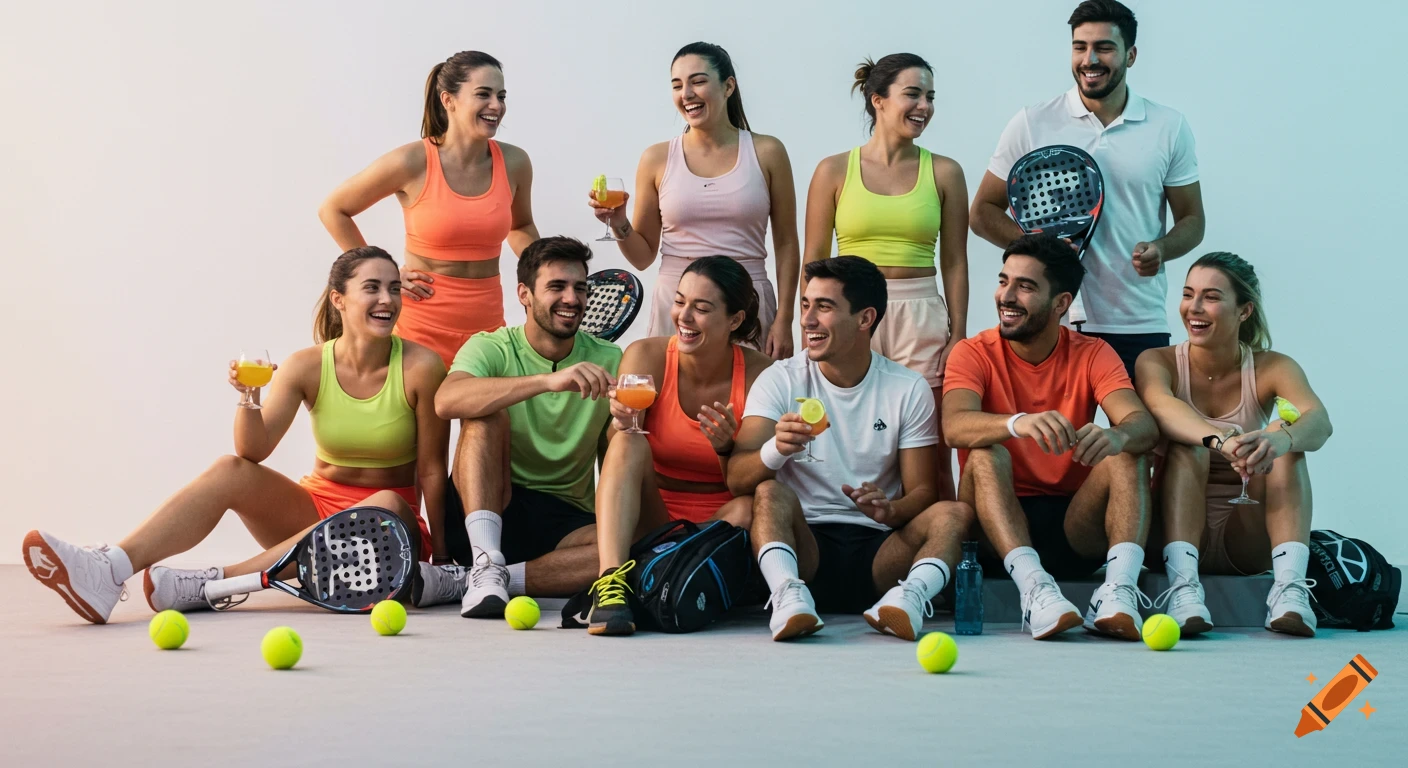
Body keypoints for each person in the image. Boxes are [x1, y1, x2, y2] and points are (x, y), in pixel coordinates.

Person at [22, 247, 447, 623]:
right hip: (314, 512)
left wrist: (443, 560)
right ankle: (110, 570)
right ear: (339, 299)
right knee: (230, 469)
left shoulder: (421, 367)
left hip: (388, 529)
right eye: (372, 288)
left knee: (388, 502)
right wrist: (249, 398)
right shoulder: (306, 366)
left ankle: (212, 584)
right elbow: (252, 452)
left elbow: (430, 471)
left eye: (394, 289)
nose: (387, 299)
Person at [728, 256, 975, 642]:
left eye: (824, 307)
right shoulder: (779, 379)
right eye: (806, 305)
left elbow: (924, 492)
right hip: (804, 547)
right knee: (768, 491)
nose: (807, 319)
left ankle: (908, 599)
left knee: (954, 514)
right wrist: (776, 449)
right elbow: (736, 478)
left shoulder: (907, 387)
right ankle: (787, 596)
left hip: (879, 551)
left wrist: (892, 510)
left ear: (865, 319)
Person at [969, 0, 1205, 377]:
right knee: (1048, 435)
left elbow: (1192, 219)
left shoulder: (1169, 126)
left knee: (1140, 434)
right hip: (1052, 318)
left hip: (1137, 319)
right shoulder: (1032, 122)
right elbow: (982, 213)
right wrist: (1041, 254)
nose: (1089, 59)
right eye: (1080, 47)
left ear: (1131, 55)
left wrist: (1162, 249)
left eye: (1104, 48)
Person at [943, 234, 1158, 641]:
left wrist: (1117, 437)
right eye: (1004, 281)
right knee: (986, 455)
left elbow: (1143, 425)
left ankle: (1117, 592)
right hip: (994, 532)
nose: (1006, 296)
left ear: (1061, 303)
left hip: (1075, 529)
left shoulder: (1093, 352)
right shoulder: (973, 352)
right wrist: (1017, 422)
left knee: (1129, 451)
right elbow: (954, 427)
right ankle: (1035, 590)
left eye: (1025, 287)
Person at [418, 237, 622, 618]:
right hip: (489, 502)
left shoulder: (610, 358)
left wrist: (627, 423)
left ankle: (475, 579)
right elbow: (446, 402)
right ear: (524, 294)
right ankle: (483, 557)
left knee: (622, 548)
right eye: (557, 287)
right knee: (484, 414)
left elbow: (615, 458)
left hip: (564, 519)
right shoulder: (490, 347)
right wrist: (548, 381)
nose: (572, 298)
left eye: (580, 287)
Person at [802, 53, 970, 500]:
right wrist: (814, 323)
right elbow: (814, 260)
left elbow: (955, 261)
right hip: (851, 313)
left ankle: (939, 552)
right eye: (912, 94)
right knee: (851, 435)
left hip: (921, 315)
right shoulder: (833, 170)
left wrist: (959, 333)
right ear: (878, 100)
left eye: (930, 96)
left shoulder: (946, 171)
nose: (925, 106)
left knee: (930, 449)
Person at [1136, 253, 1331, 637]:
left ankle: (1289, 589)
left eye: (1210, 297)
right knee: (1188, 444)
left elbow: (1319, 422)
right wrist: (1221, 439)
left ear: (1244, 311)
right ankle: (1183, 587)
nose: (1194, 307)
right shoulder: (1157, 360)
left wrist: (1279, 438)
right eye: (1188, 294)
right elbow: (1162, 408)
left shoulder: (1272, 366)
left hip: (1246, 535)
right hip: (1171, 530)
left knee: (1285, 438)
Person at [585, 256, 774, 636]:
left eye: (702, 308)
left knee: (750, 506)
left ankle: (661, 571)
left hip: (717, 525)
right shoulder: (646, 356)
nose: (684, 316)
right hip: (653, 517)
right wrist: (620, 422)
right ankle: (611, 586)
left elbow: (746, 483)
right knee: (628, 438)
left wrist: (725, 449)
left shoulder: (760, 374)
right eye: (680, 300)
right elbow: (619, 453)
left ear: (735, 320)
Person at [320, 50, 540, 368]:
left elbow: (520, 227)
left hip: (488, 326)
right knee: (424, 419)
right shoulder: (411, 162)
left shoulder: (515, 162)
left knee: (488, 419)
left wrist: (543, 266)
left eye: (501, 96)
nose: (497, 106)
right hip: (419, 324)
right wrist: (382, 274)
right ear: (448, 100)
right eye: (483, 94)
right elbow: (334, 209)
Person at [588, 42, 799, 359]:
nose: (686, 93)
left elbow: (786, 244)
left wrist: (785, 320)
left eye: (698, 81)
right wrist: (619, 223)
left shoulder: (768, 152)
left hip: (746, 303)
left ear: (728, 86)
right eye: (677, 85)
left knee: (750, 404)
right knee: (672, 402)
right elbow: (643, 256)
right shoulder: (657, 158)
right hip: (677, 304)